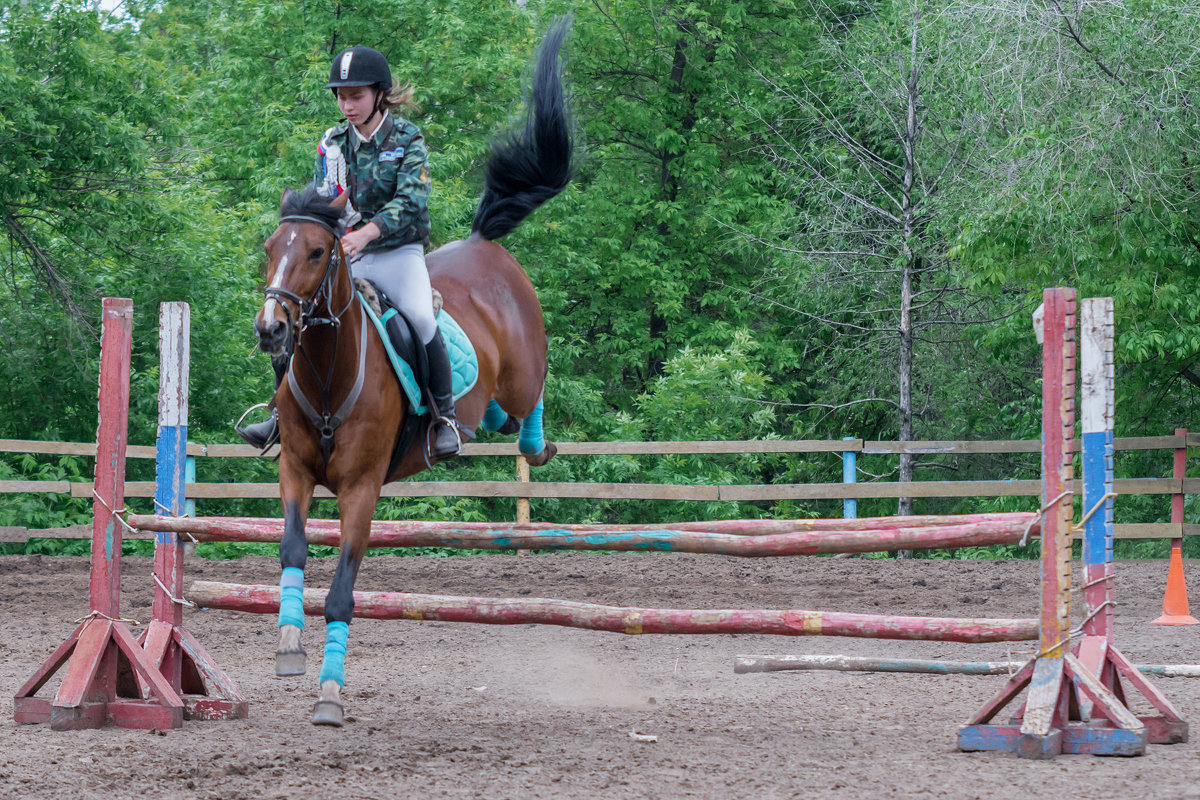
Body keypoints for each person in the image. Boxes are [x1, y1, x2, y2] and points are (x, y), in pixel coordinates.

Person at [237, 45, 461, 460]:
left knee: (419, 316)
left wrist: (368, 232)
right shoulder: (332, 142)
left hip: (398, 250)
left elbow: (412, 198)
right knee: (294, 311)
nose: (346, 104)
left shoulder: (408, 137)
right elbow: (326, 202)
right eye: (340, 96)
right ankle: (280, 414)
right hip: (346, 251)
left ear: (379, 94)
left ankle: (443, 417)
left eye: (355, 95)